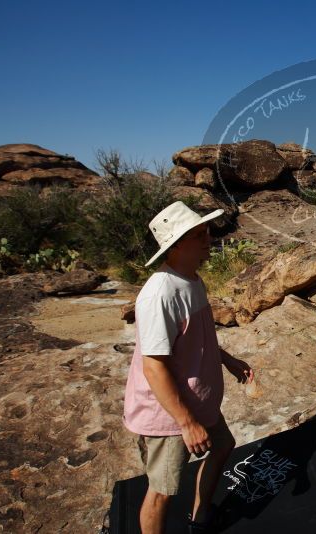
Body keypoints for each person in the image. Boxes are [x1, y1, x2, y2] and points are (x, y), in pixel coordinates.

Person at [123, 201, 254, 534]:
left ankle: (201, 517)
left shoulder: (193, 280)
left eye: (206, 231)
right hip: (170, 413)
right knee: (162, 492)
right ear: (176, 243)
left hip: (197, 400)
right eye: (198, 234)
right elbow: (154, 367)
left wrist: (227, 359)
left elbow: (196, 340)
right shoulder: (160, 294)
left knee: (223, 445)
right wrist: (186, 422)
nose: (208, 238)